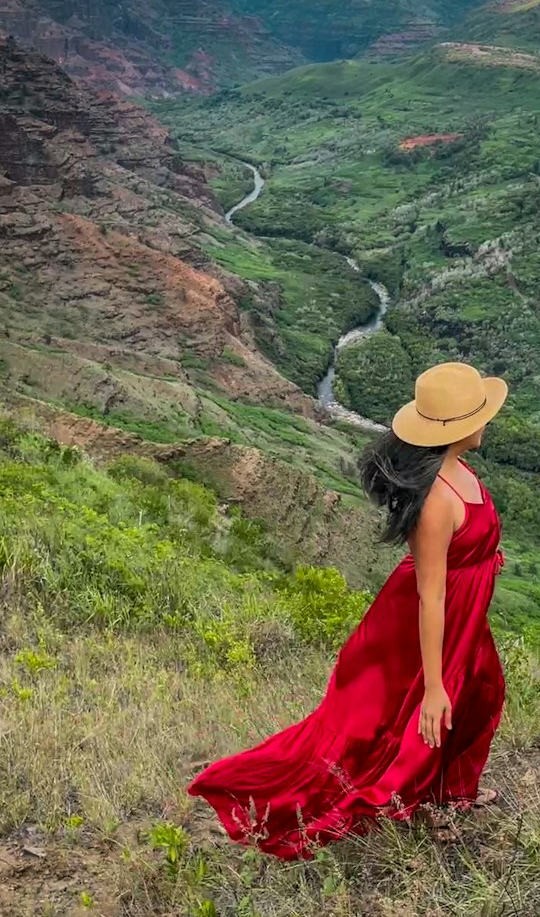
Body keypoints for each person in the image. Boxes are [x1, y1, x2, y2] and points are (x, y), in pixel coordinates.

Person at [188, 361, 508, 859]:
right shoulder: (436, 503)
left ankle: (451, 796)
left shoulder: (458, 470)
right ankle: (414, 801)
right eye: (481, 414)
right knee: (403, 722)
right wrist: (432, 683)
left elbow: (466, 554)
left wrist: (487, 562)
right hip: (424, 626)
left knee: (482, 695)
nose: (488, 421)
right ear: (461, 426)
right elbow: (432, 595)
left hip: (463, 619)